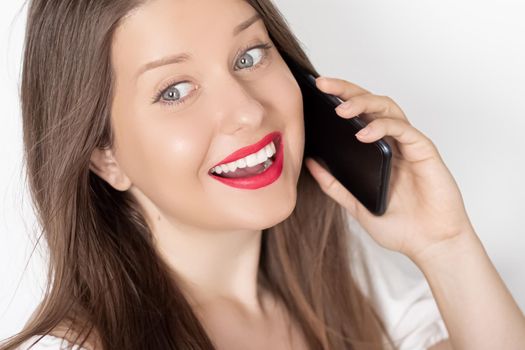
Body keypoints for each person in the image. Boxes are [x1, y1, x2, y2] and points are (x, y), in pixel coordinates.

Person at [1, 0, 524, 349]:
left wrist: (445, 244)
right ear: (104, 157)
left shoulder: (358, 287)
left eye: (250, 55)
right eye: (174, 91)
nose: (247, 111)